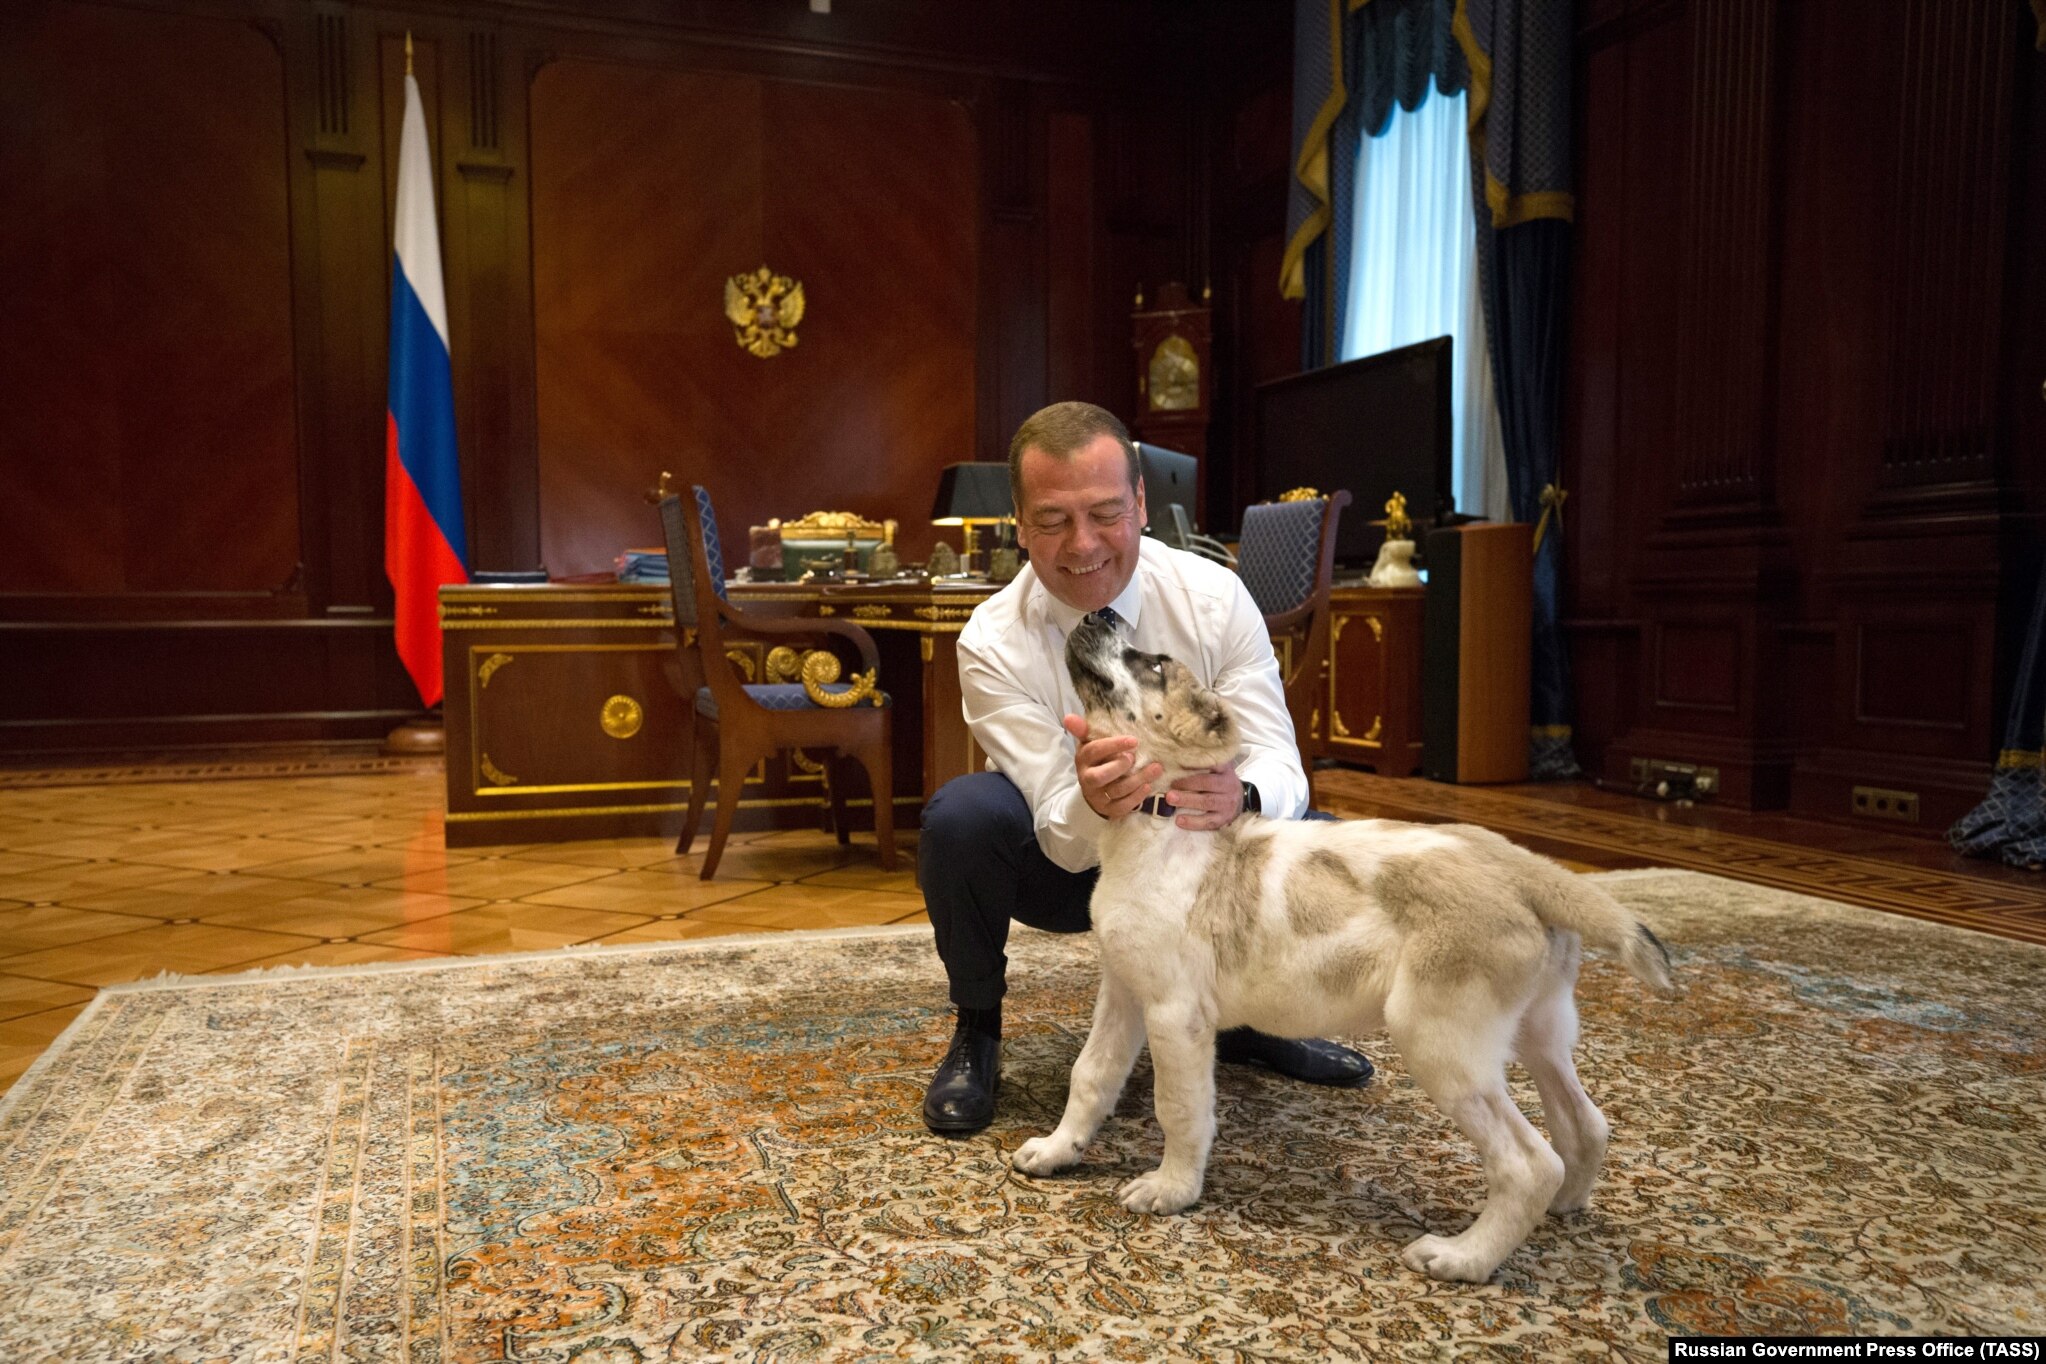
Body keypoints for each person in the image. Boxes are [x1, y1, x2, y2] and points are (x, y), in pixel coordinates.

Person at [920, 401, 1374, 1135]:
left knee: (1319, 838)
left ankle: (1246, 1019)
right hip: (1076, 871)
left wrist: (1242, 794)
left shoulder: (1214, 597)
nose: (1083, 545)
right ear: (1018, 521)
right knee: (961, 819)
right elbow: (1056, 831)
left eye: (1105, 513)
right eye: (1053, 520)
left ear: (1140, 504)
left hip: (1203, 858)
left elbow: (1279, 762)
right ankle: (978, 1029)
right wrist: (1094, 804)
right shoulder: (991, 640)